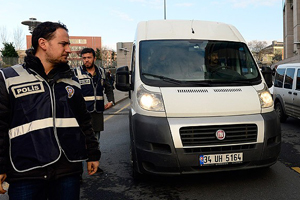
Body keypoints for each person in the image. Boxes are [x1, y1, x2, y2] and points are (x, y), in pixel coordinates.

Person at [0, 22, 100, 200]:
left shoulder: (71, 81)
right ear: (43, 44)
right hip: (25, 173)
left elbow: (84, 121)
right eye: (64, 44)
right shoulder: (9, 78)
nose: (69, 50)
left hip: (67, 171)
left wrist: (93, 153)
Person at [73, 48, 114, 173]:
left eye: (89, 57)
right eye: (84, 58)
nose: (86, 60)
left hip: (97, 112)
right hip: (82, 113)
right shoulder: (76, 73)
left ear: (94, 58)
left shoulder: (101, 72)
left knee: (95, 140)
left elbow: (108, 87)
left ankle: (93, 163)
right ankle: (78, 170)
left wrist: (111, 101)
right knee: (80, 141)